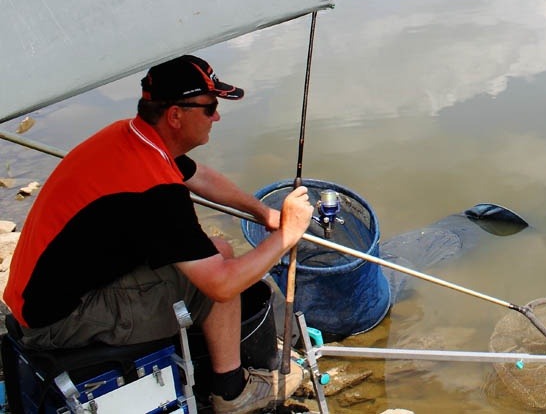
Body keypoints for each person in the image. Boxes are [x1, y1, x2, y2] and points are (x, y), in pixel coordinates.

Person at [3, 55, 314, 414]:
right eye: (210, 107)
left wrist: (262, 211)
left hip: (41, 291)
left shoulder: (131, 136)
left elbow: (199, 176)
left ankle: (222, 371)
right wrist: (287, 235)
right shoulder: (155, 191)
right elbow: (222, 285)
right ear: (175, 115)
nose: (217, 117)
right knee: (217, 281)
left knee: (221, 248)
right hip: (58, 320)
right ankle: (232, 394)